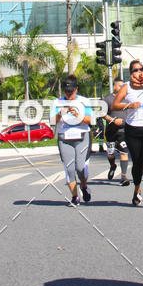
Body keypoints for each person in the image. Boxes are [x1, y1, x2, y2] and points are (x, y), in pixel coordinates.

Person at [112, 61, 143, 207]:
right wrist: (130, 105)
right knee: (138, 163)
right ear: (131, 72)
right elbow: (115, 104)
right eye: (135, 70)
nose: (139, 72)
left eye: (141, 69)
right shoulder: (127, 87)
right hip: (133, 129)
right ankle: (137, 189)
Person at [51, 75, 93, 205]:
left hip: (82, 137)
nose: (69, 94)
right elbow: (52, 121)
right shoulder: (57, 102)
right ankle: (75, 197)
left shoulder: (84, 101)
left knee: (80, 168)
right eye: (67, 92)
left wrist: (77, 114)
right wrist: (61, 113)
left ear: (76, 90)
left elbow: (90, 120)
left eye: (72, 91)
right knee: (69, 169)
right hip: (65, 138)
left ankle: (84, 186)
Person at [102, 79, 131, 186]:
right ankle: (112, 165)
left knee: (124, 152)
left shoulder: (127, 99)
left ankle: (123, 177)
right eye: (120, 85)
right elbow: (102, 113)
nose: (121, 87)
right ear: (114, 86)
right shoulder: (107, 99)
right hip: (111, 131)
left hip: (123, 131)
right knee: (110, 153)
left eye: (123, 86)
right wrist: (113, 120)